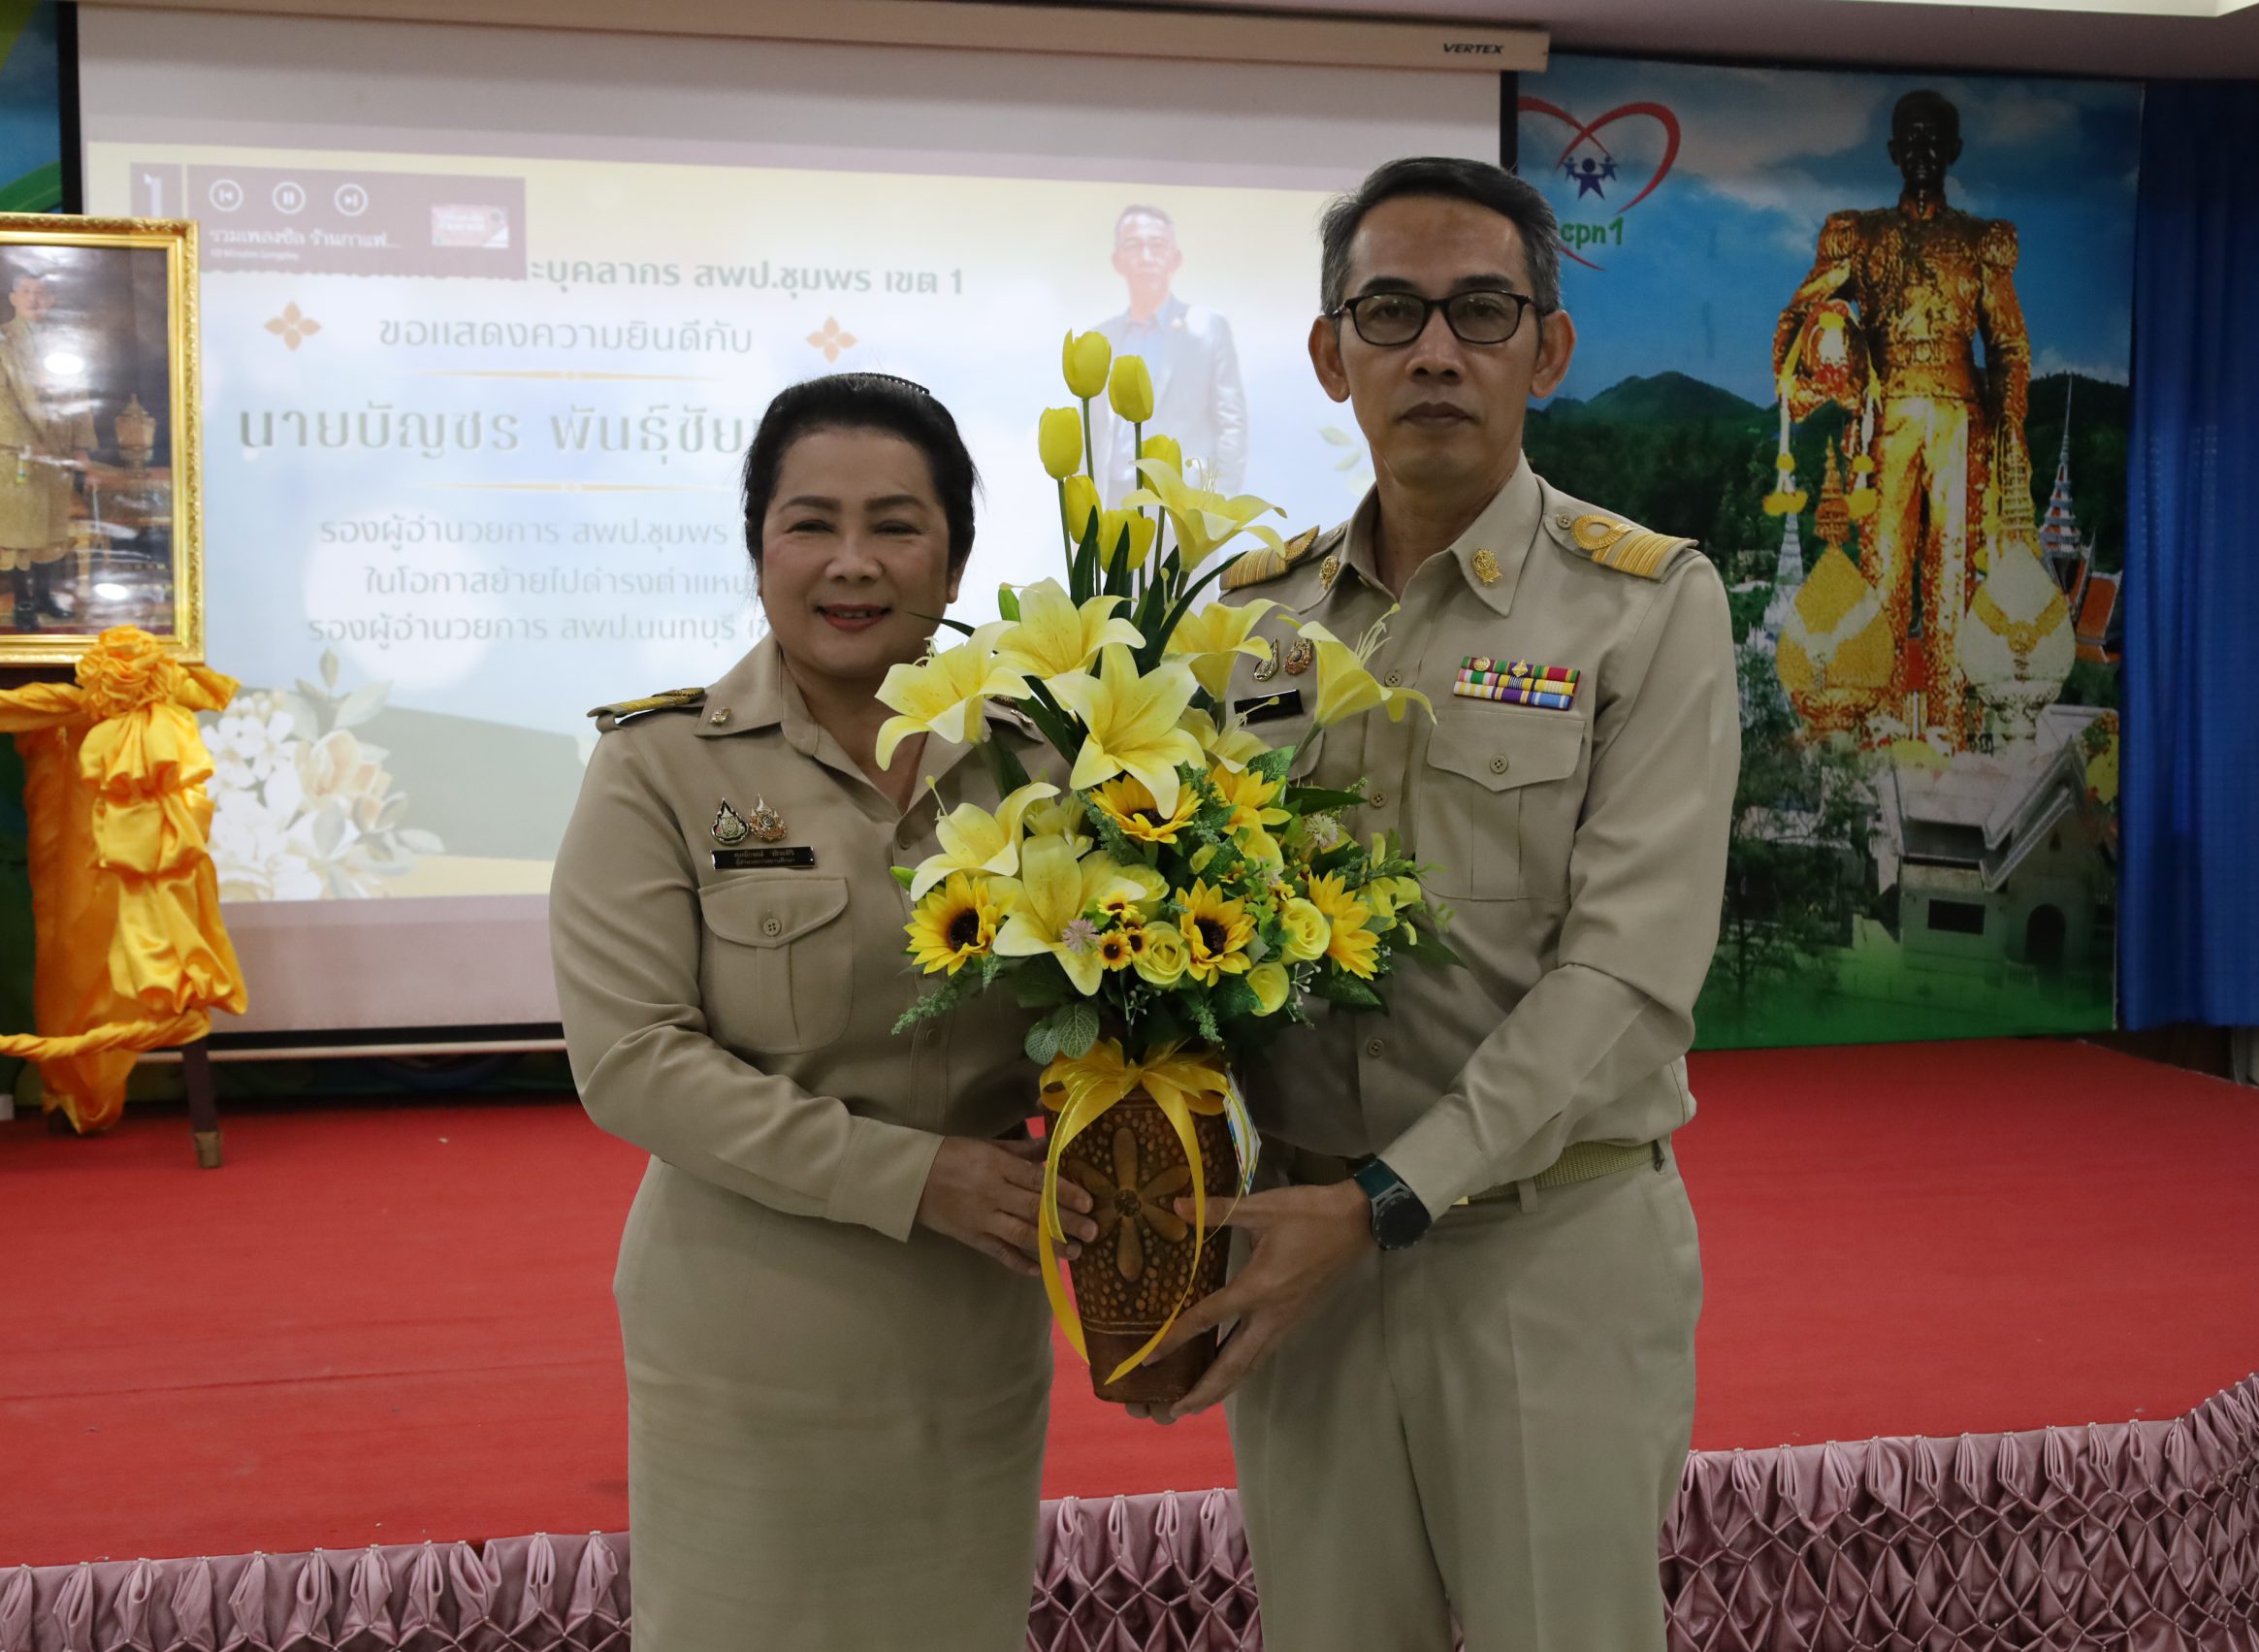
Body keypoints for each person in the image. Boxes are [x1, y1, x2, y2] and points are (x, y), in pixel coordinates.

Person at [1157, 157, 1740, 1649]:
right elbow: (1169, 914)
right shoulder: (1249, 621)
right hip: (1300, 1255)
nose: (1434, 350)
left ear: (1546, 348)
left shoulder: (1645, 605)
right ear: (1328, 352)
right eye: (1391, 312)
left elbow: (1626, 976)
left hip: (1544, 1251)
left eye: (1481, 311)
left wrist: (1388, 1197)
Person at [549, 373, 1098, 1651]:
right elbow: (633, 1060)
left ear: (954, 557)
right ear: (759, 547)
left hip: (970, 1321)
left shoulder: (1046, 762)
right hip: (749, 1330)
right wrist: (915, 1176)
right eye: (811, 522)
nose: (853, 562)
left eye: (896, 524)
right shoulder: (659, 765)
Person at [1774, 89, 2033, 748]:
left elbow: (2007, 346)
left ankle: (1948, 721)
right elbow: (1803, 311)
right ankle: (1881, 717)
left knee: (1951, 570)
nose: (1921, 151)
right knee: (1884, 568)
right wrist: (1831, 357)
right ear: (1893, 151)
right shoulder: (1860, 236)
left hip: (1960, 418)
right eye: (1910, 139)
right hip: (1885, 418)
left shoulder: (1979, 242)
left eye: (1932, 139)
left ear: (1953, 151)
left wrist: (2010, 430)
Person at [1093, 204, 1247, 497]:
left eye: (1157, 245)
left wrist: (1218, 505)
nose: (1146, 256)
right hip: (1112, 497)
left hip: (1181, 500)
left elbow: (1232, 425)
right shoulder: (1100, 338)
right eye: (1133, 245)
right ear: (1117, 261)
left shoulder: (1208, 328)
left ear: (1175, 258)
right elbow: (1091, 431)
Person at [0, 272, 97, 629]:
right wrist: (29, 441)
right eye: (26, 291)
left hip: (59, 452)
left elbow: (80, 395)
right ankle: (23, 604)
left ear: (52, 300)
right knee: (20, 533)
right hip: (18, 452)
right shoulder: (3, 339)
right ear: (13, 298)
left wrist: (81, 445)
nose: (34, 299)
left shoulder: (64, 341)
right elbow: (2, 400)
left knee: (51, 531)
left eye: (41, 292)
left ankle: (44, 596)